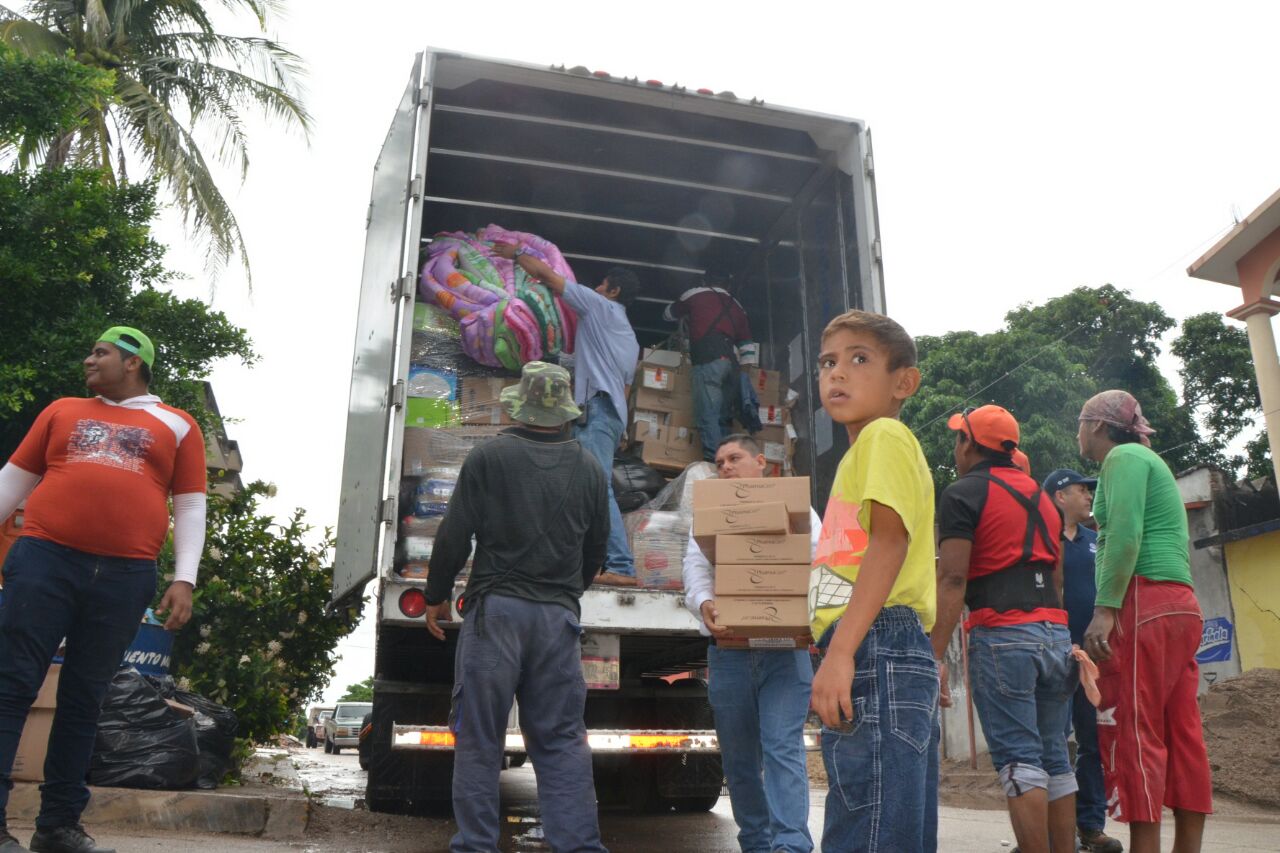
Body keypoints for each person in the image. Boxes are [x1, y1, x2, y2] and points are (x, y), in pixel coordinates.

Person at [0, 327, 205, 853]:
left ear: (133, 362)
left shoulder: (177, 425)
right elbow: (13, 480)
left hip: (124, 575)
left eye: (101, 352)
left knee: (85, 698)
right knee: (12, 686)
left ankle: (58, 827)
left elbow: (189, 505)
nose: (89, 359)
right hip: (45, 560)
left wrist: (184, 577)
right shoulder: (62, 410)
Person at [424, 361, 609, 853]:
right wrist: (567, 595)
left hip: (496, 614)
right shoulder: (590, 467)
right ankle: (579, 846)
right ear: (567, 413)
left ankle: (477, 845)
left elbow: (454, 534)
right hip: (558, 619)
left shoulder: (489, 457)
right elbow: (598, 549)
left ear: (519, 406)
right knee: (562, 739)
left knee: (480, 737)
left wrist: (436, 595)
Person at [807, 310, 940, 852]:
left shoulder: (884, 435)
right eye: (828, 363)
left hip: (874, 646)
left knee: (868, 824)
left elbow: (890, 543)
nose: (838, 374)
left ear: (902, 382)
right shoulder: (863, 451)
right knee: (883, 821)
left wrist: (841, 653)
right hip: (880, 646)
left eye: (859, 359)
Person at [934, 405, 1077, 853]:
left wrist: (933, 653)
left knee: (1019, 758)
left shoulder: (962, 494)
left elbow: (953, 578)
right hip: (1055, 634)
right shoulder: (1042, 496)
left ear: (971, 444)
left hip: (1003, 635)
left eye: (959, 438)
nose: (956, 447)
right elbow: (1055, 578)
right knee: (1054, 754)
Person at [1077, 391, 1212, 853]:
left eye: (1081, 423)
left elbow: (1127, 534)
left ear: (1097, 426)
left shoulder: (1122, 458)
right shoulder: (1148, 461)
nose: (1078, 432)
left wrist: (1104, 606)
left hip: (1143, 601)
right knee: (1182, 732)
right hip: (1179, 604)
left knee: (1136, 732)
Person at [682, 434, 821, 853]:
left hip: (786, 653)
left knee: (782, 750)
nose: (725, 467)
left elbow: (818, 556)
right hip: (730, 654)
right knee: (740, 763)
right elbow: (695, 568)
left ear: (761, 462)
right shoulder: (706, 517)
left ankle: (791, 846)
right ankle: (757, 845)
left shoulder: (799, 508)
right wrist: (704, 604)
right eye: (720, 462)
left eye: (734, 458)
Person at [494, 241, 639, 586]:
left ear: (613, 291)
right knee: (576, 486)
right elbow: (627, 389)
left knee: (595, 485)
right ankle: (579, 559)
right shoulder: (627, 336)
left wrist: (514, 254)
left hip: (598, 411)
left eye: (602, 284)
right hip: (607, 414)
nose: (596, 289)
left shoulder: (602, 307)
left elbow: (550, 276)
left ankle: (620, 565)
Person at [1043, 468, 1124, 853]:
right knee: (1052, 742)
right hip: (1052, 654)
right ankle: (1047, 835)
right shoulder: (1041, 540)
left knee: (1093, 742)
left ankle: (1091, 826)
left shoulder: (1097, 541)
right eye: (1081, 490)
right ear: (1060, 496)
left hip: (1093, 659)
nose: (1089, 496)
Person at [664, 283, 752, 460]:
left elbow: (668, 314)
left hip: (709, 360)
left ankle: (716, 462)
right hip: (732, 367)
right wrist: (745, 379)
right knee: (723, 418)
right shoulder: (737, 306)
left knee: (707, 415)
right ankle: (731, 462)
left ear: (706, 280)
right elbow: (748, 349)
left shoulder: (694, 294)